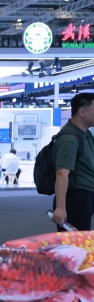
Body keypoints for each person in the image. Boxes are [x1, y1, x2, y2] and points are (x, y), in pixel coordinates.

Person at [52, 93, 94, 231]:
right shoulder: (69, 139)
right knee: (74, 242)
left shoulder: (86, 134)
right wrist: (60, 207)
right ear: (82, 111)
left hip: (86, 197)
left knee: (82, 239)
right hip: (75, 199)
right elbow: (61, 174)